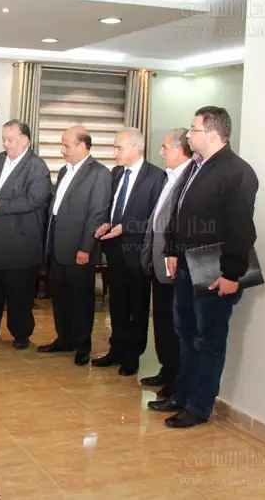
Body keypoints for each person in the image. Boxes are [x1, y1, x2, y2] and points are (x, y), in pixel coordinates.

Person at [149, 106, 258, 428]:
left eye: (193, 129)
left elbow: (241, 228)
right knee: (185, 333)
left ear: (212, 132)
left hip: (215, 269)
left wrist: (232, 274)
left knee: (208, 341)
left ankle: (198, 406)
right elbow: (178, 211)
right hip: (186, 264)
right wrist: (171, 249)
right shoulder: (197, 166)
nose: (188, 134)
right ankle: (181, 394)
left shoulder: (237, 171)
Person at [0, 120, 52, 349]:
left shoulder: (37, 167)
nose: (5, 144)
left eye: (10, 140)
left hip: (19, 241)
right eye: (4, 139)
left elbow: (35, 200)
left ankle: (21, 333)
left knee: (18, 292)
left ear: (25, 140)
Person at [93, 129, 165, 376]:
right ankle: (116, 349)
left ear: (136, 148)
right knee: (117, 305)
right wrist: (105, 222)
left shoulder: (156, 176)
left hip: (138, 252)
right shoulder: (116, 173)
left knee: (137, 306)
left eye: (119, 148)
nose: (115, 152)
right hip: (114, 250)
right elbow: (111, 207)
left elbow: (157, 218)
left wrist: (127, 227)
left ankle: (133, 356)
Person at [38, 126, 111, 366]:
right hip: (57, 246)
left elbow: (97, 213)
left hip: (80, 249)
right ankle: (64, 339)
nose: (62, 150)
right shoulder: (64, 170)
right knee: (60, 298)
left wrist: (85, 248)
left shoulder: (99, 173)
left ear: (82, 146)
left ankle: (82, 346)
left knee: (80, 300)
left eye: (66, 145)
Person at [139, 129, 194, 398]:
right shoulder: (168, 176)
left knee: (176, 325)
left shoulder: (190, 177)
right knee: (161, 320)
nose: (160, 152)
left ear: (180, 149)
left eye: (164, 147)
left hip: (175, 265)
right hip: (159, 263)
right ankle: (167, 369)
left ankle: (177, 378)